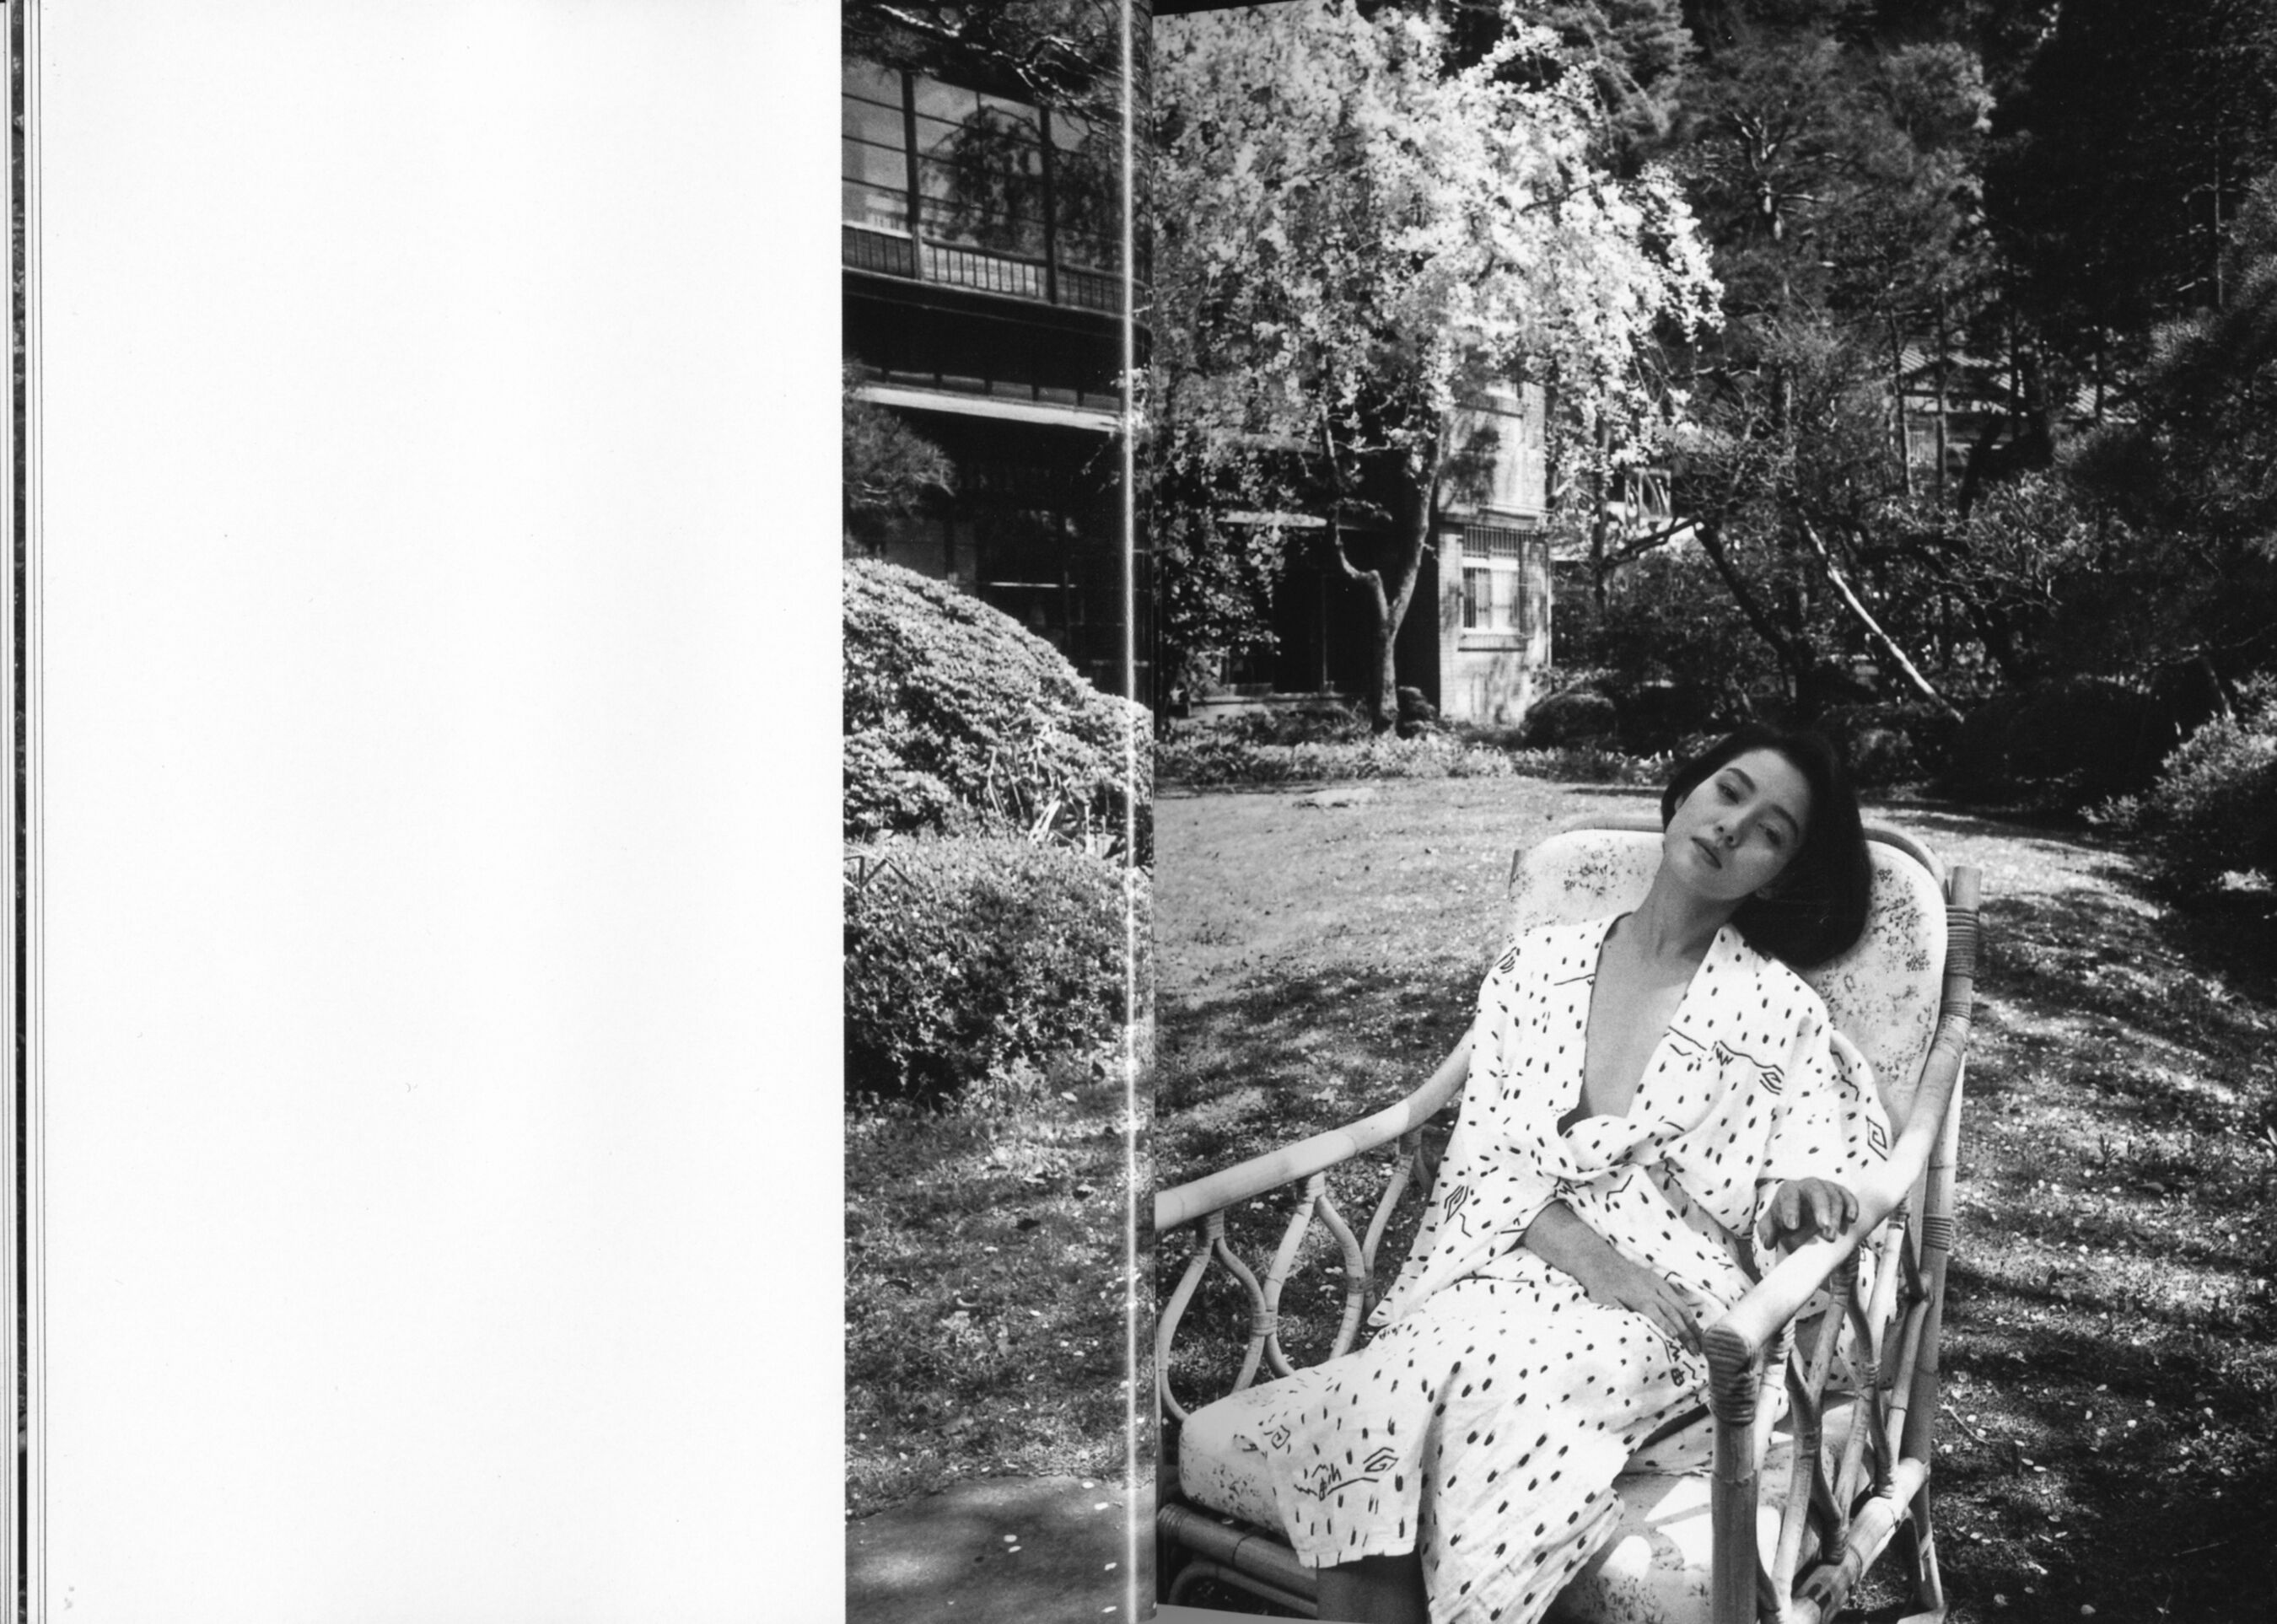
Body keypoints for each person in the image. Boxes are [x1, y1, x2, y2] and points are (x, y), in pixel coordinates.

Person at [1242, 724, 1891, 1624]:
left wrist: (1800, 1195)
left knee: (1501, 1391)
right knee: (1360, 1401)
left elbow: (1810, 1162)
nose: (1732, 827)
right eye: (1729, 791)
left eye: (1771, 833)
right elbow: (1483, 1155)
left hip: (1673, 1303)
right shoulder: (1536, 967)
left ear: (1777, 875)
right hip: (1511, 1265)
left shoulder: (1782, 1011)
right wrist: (1591, 1259)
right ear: (1686, 792)